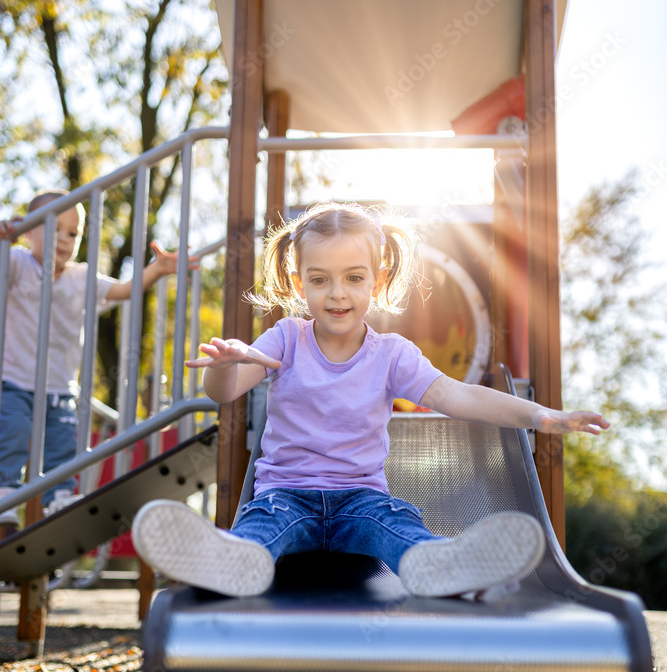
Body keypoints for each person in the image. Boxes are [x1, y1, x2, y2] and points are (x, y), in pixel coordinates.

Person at [132, 202, 608, 600]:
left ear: (376, 281)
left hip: (362, 501)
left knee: (398, 524)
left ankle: (441, 564)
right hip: (285, 498)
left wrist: (540, 415)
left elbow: (456, 395)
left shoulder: (391, 355)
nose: (337, 294)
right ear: (300, 284)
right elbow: (227, 392)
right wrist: (224, 368)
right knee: (261, 530)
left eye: (353, 278)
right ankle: (230, 561)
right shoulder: (287, 338)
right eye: (319, 280)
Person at [0, 189, 196, 527]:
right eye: (53, 229)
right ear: (29, 231)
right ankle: (5, 498)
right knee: (13, 434)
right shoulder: (16, 263)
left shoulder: (81, 277)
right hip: (15, 380)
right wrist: (6, 236)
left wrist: (158, 269)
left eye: (72, 233)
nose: (64, 239)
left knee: (64, 446)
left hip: (60, 385)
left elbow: (123, 290)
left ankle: (60, 500)